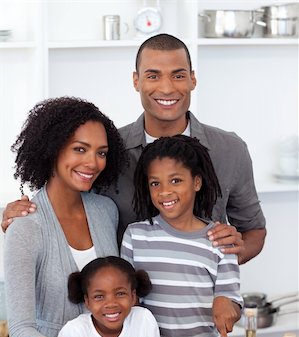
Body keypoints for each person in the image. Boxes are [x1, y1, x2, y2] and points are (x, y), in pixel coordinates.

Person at [1, 33, 266, 265]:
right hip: (121, 314)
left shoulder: (230, 150)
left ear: (193, 80)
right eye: (153, 76)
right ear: (136, 81)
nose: (166, 87)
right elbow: (64, 205)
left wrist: (226, 258)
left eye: (178, 75)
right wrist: (23, 216)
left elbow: (254, 230)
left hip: (200, 313)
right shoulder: (107, 150)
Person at [4, 96, 132, 337]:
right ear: (52, 148)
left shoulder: (105, 211)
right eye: (79, 149)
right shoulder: (24, 227)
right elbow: (20, 331)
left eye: (101, 153)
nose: (92, 163)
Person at [121, 135, 243, 337]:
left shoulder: (219, 239)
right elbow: (131, 300)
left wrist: (226, 303)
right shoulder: (135, 236)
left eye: (175, 180)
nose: (164, 191)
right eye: (155, 183)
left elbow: (232, 300)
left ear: (196, 182)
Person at [57, 256, 160, 337]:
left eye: (120, 294)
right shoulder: (74, 331)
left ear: (133, 296)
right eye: (99, 296)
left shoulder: (144, 320)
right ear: (87, 301)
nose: (111, 304)